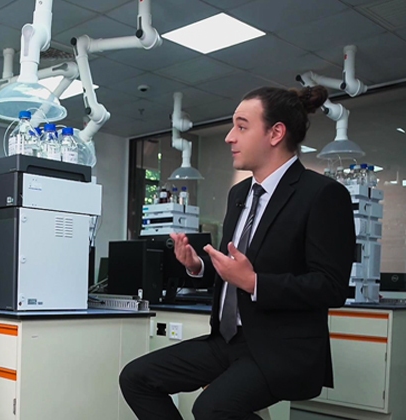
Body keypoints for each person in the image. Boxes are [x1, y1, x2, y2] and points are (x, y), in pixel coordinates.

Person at [119, 86, 356, 419]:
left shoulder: (323, 194)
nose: (230, 137)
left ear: (275, 133)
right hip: (229, 341)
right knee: (136, 378)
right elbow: (235, 266)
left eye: (242, 127)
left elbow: (331, 287)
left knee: (211, 408)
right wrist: (199, 266)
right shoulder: (240, 193)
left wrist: (255, 283)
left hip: (284, 349)